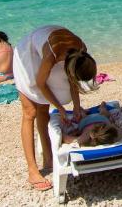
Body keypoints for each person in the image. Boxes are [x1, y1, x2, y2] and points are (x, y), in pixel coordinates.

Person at [13, 25, 97, 191]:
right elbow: (40, 83)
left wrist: (77, 107)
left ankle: (48, 159)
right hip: (28, 52)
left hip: (50, 44)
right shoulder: (52, 55)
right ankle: (32, 171)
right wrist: (60, 108)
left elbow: (73, 81)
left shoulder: (81, 51)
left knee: (43, 109)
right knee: (30, 111)